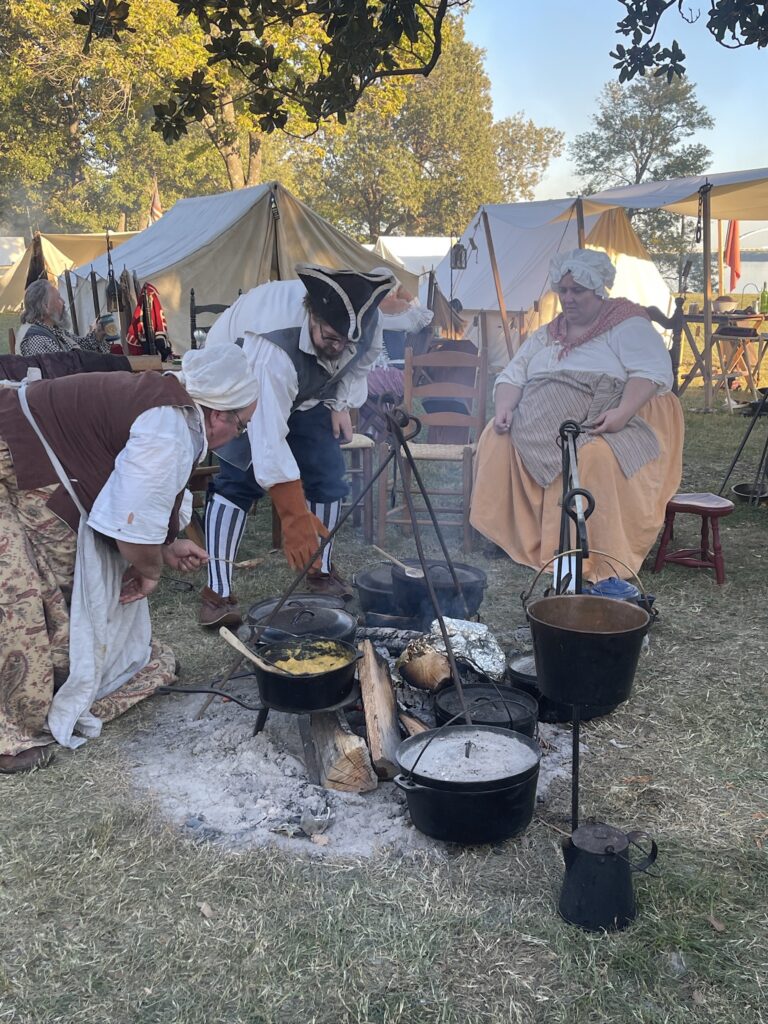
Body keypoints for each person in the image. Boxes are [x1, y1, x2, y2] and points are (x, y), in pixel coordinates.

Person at [0, 345, 259, 773]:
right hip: (10, 452)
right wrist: (150, 569)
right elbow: (130, 532)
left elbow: (137, 502)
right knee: (17, 594)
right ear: (219, 415)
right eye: (242, 425)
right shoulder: (169, 428)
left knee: (61, 588)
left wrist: (165, 544)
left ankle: (47, 691)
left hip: (31, 465)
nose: (240, 434)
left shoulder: (177, 413)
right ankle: (11, 733)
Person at [200, 263, 431, 625]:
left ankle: (319, 572)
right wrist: (293, 516)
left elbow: (361, 363)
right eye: (331, 337)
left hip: (308, 391)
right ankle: (217, 593)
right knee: (237, 483)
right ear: (311, 313)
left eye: (347, 341)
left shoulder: (365, 323)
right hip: (239, 381)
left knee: (327, 475)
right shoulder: (273, 346)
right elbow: (267, 439)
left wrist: (341, 405)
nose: (339, 349)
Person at [470, 248, 684, 579]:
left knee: (593, 457)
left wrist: (621, 414)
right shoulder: (548, 333)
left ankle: (589, 553)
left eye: (578, 291)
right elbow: (513, 375)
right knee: (494, 437)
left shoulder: (625, 325)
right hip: (536, 426)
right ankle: (505, 536)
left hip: (602, 420)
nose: (568, 299)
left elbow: (652, 374)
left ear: (599, 291)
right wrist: (504, 409)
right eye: (564, 290)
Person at [17, 279, 110, 357]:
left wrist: (97, 335)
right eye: (58, 298)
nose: (63, 301)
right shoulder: (38, 340)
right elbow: (64, 370)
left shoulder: (53, 329)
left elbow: (81, 345)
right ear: (46, 307)